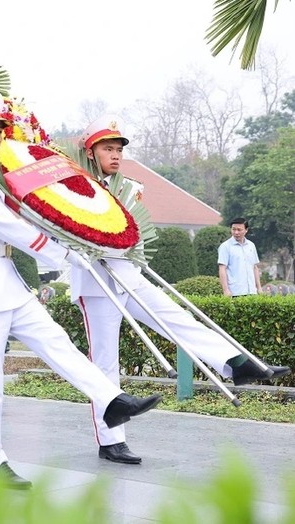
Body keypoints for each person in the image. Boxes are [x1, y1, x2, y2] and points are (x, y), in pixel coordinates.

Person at [0, 91, 161, 489]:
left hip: (7, 282)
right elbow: (11, 227)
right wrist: (65, 253)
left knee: (58, 342)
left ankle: (112, 401)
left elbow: (26, 215)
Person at [72, 115, 291, 464]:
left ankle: (236, 364)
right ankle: (111, 440)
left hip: (129, 272)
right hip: (96, 282)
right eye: (107, 149)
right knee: (105, 361)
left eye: (118, 150)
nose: (115, 155)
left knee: (178, 317)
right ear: (90, 151)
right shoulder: (72, 186)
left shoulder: (127, 187)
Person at [218, 218, 262, 297]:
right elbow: (222, 268)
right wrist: (225, 290)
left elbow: (255, 267)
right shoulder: (225, 246)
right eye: (233, 229)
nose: (236, 232)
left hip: (252, 291)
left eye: (239, 230)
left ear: (246, 230)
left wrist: (259, 288)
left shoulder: (251, 245)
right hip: (235, 292)